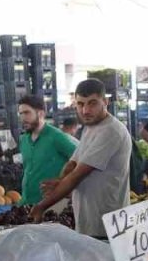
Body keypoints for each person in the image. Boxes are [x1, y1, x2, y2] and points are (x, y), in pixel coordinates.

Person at [31, 79, 132, 237]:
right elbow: (73, 164)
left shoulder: (111, 131)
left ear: (105, 101)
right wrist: (60, 181)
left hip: (108, 225)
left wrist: (42, 206)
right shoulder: (91, 127)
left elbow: (78, 175)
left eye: (92, 103)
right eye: (80, 104)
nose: (85, 110)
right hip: (89, 220)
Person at [17, 95, 78, 209]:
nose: (22, 118)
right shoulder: (24, 139)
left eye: (26, 113)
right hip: (27, 203)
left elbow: (82, 159)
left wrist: (64, 184)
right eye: (20, 114)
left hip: (52, 206)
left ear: (40, 113)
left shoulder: (57, 137)